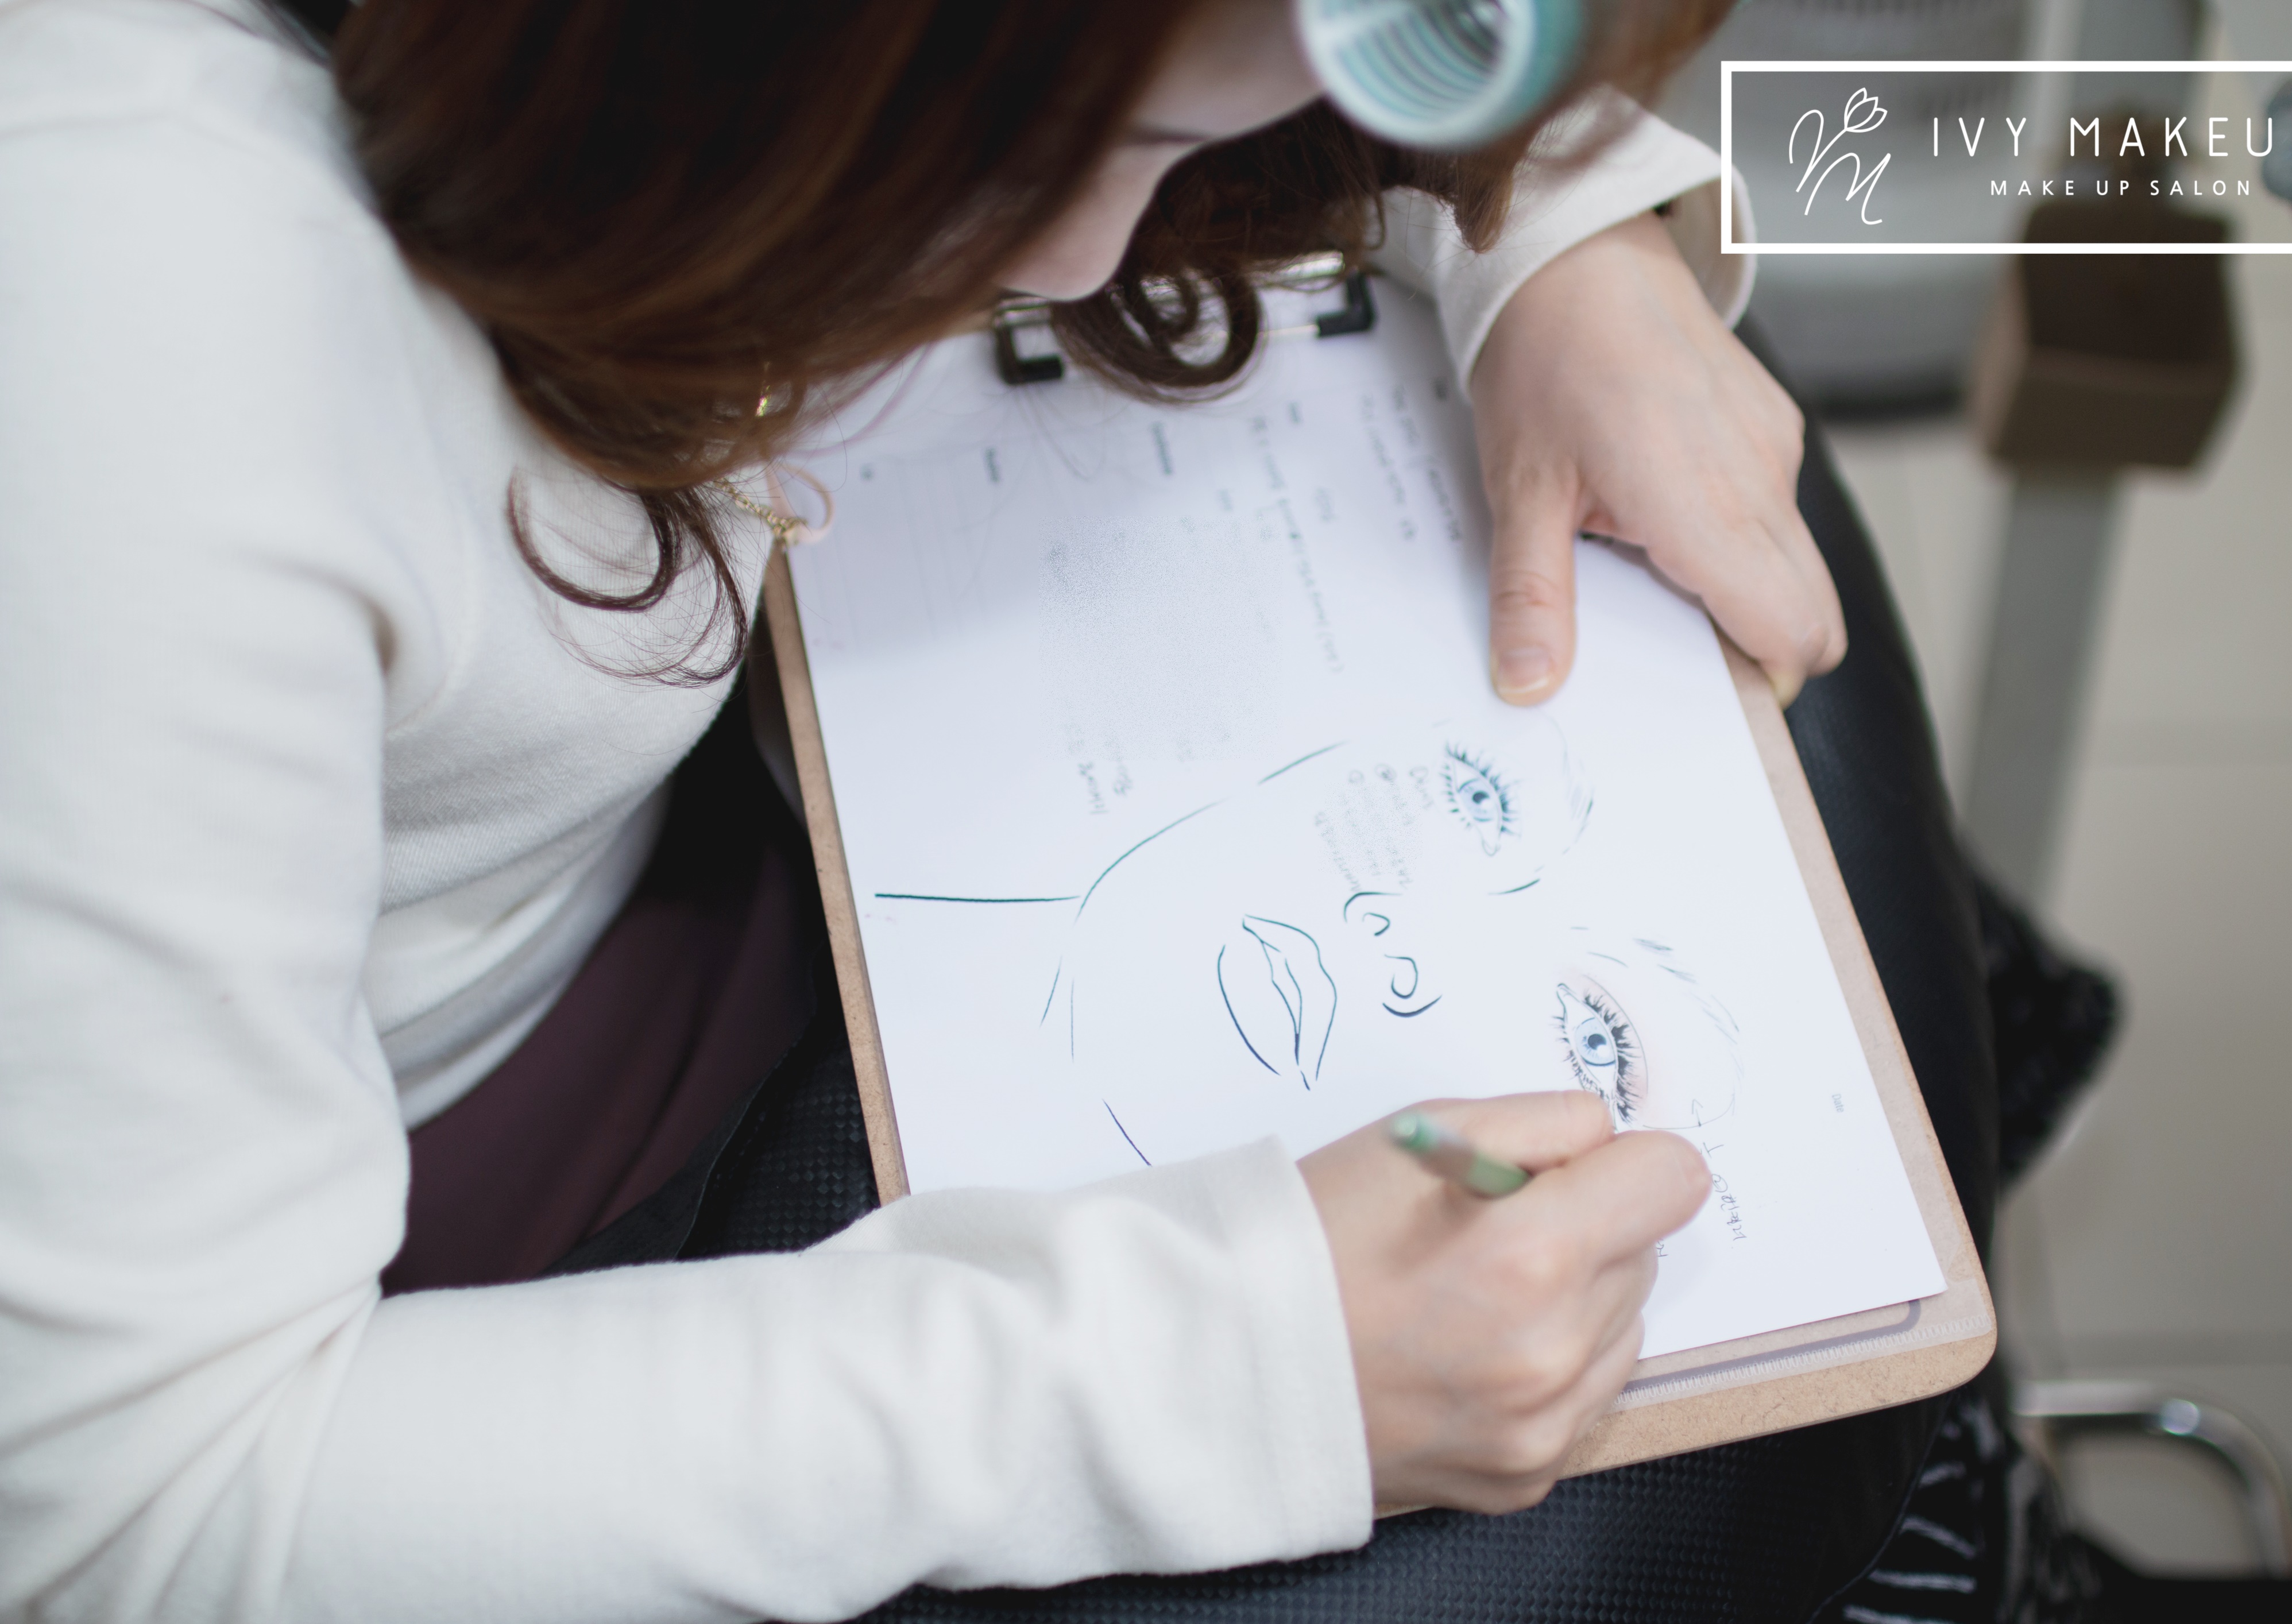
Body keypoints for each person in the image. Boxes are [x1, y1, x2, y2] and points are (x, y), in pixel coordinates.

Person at [0, 2, 1957, 1622]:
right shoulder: (124, 323)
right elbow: (133, 1511)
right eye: (1075, 150)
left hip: (721, 811)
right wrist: (1223, 1368)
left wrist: (1552, 233)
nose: (1091, 259)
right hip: (420, 1245)